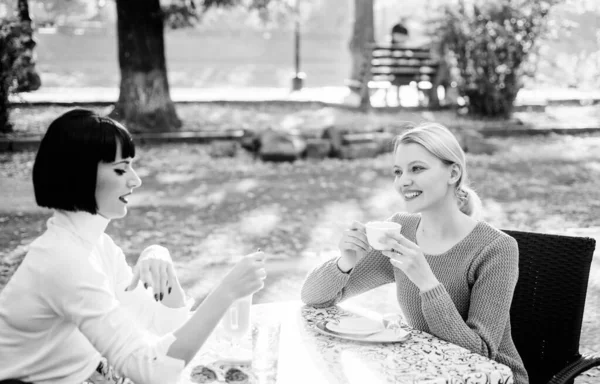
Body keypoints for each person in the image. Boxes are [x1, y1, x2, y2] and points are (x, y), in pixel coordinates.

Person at [0, 109, 268, 384]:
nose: (135, 180)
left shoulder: (97, 246)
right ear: (80, 174)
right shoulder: (64, 261)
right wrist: (227, 292)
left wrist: (160, 258)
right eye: (120, 168)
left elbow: (166, 328)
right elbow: (151, 371)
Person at [300, 122, 528, 384]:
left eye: (417, 169)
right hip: (427, 373)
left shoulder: (496, 248)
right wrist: (345, 263)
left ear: (453, 173)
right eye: (398, 171)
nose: (403, 181)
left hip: (491, 378)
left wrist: (427, 282)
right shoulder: (401, 230)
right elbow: (313, 298)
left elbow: (480, 353)